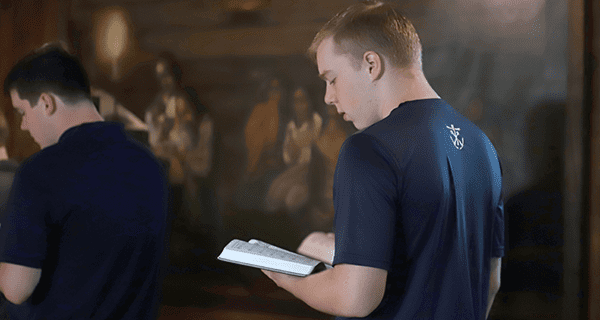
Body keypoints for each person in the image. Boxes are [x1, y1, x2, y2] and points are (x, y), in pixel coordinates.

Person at [261, 1, 504, 319]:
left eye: (332, 79)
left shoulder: (367, 150)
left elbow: (354, 299)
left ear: (371, 64)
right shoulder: (481, 146)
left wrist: (285, 278)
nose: (328, 97)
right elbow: (490, 282)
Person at [0, 43, 169, 319]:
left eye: (22, 112)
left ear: (46, 103)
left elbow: (16, 288)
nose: (23, 126)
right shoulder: (151, 166)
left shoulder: (40, 171)